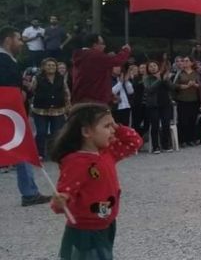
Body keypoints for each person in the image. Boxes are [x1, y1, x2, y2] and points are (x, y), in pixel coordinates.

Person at [49, 102, 143, 260]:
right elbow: (64, 194)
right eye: (107, 126)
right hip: (85, 230)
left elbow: (134, 142)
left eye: (113, 125)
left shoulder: (107, 153)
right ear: (86, 131)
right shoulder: (75, 162)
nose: (113, 130)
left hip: (106, 223)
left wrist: (118, 127)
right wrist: (60, 201)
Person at [0, 25, 52, 206]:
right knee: (20, 145)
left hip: (11, 115)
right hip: (9, 115)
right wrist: (21, 89)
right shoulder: (3, 61)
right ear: (8, 40)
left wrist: (23, 87)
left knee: (21, 146)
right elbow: (7, 89)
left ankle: (29, 191)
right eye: (18, 39)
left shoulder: (9, 60)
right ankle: (29, 192)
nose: (21, 43)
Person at [72, 34, 131, 105]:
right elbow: (118, 60)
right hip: (95, 101)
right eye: (102, 43)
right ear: (95, 45)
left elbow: (96, 79)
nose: (104, 46)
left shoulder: (82, 57)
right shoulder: (94, 56)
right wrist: (126, 50)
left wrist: (110, 95)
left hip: (81, 99)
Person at [30, 58, 70, 159]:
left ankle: (54, 153)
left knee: (56, 133)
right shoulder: (37, 78)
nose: (51, 67)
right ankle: (39, 153)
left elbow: (66, 92)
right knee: (41, 132)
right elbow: (31, 90)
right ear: (43, 67)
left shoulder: (61, 78)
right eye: (48, 65)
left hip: (58, 110)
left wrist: (68, 106)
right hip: (40, 110)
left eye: (53, 65)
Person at [142, 61, 173, 153]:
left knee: (166, 124)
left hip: (165, 104)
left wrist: (166, 80)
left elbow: (171, 88)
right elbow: (149, 89)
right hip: (153, 105)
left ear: (158, 67)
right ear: (148, 69)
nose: (153, 68)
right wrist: (159, 80)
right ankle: (156, 146)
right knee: (154, 125)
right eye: (150, 66)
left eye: (154, 65)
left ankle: (166, 145)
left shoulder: (164, 77)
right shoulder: (146, 78)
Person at [173, 56, 201, 147]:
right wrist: (183, 86)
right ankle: (182, 140)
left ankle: (191, 139)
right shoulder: (180, 73)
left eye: (186, 61)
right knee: (182, 120)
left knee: (192, 120)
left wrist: (196, 85)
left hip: (194, 99)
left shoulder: (196, 73)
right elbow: (174, 85)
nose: (184, 62)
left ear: (191, 63)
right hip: (182, 99)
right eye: (183, 61)